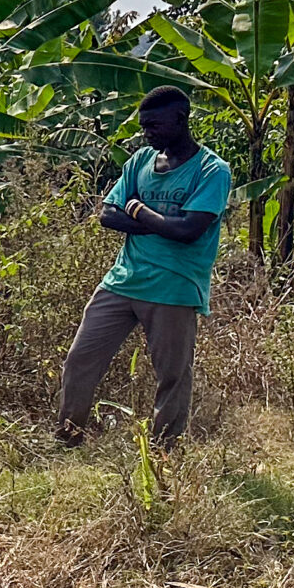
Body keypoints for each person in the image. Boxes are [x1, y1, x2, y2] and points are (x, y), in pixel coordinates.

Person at [57, 87, 232, 445]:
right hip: (122, 280)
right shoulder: (139, 162)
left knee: (172, 376)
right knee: (80, 359)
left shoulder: (212, 170)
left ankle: (164, 451)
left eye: (154, 125)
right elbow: (107, 215)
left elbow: (187, 230)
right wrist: (161, 223)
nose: (146, 133)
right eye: (143, 126)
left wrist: (136, 209)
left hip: (175, 286)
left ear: (181, 120)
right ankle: (68, 436)